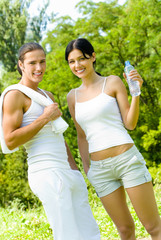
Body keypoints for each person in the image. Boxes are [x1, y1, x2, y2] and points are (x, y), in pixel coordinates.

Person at [0, 42, 101, 240]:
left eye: (42, 62)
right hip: (45, 171)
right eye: (32, 63)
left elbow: (59, 136)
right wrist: (45, 117)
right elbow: (9, 141)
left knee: (89, 231)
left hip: (67, 171)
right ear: (21, 65)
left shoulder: (47, 95)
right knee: (67, 234)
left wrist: (75, 172)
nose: (39, 68)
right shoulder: (14, 95)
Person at [65, 38, 161, 240]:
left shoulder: (112, 82)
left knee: (154, 228)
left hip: (127, 161)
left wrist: (136, 93)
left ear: (93, 57)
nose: (77, 65)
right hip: (100, 171)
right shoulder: (72, 97)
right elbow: (81, 136)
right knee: (125, 231)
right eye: (72, 61)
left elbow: (130, 123)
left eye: (81, 59)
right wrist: (87, 168)